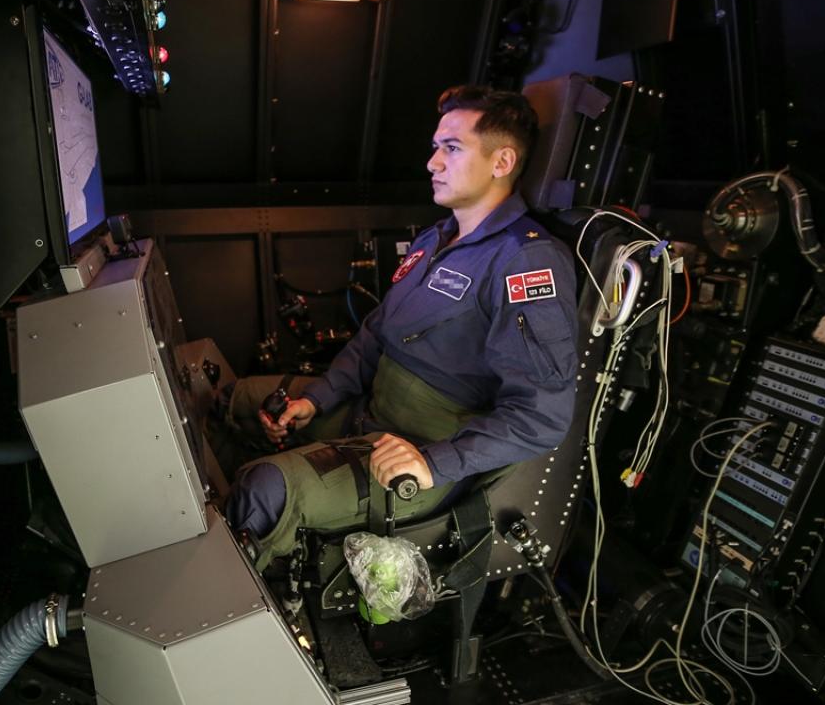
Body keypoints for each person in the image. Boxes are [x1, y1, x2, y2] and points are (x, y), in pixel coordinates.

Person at [223, 85, 578, 569]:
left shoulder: (526, 261)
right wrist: (318, 399)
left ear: (502, 162)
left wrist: (433, 463)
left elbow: (541, 417)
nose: (433, 163)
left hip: (427, 447)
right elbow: (376, 335)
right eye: (435, 147)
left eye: (451, 148)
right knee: (240, 399)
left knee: (263, 488)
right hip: (372, 410)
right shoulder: (435, 239)